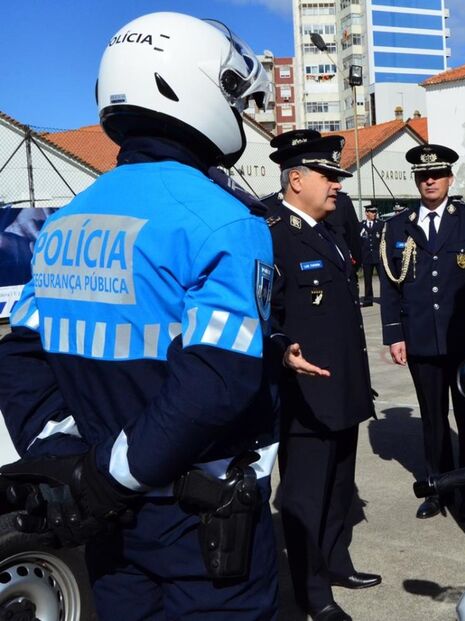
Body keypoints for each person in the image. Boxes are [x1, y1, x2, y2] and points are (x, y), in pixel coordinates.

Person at [0, 12, 280, 619]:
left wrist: (64, 458)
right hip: (199, 523)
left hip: (101, 516)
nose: (240, 111)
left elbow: (20, 356)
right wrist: (111, 477)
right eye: (233, 93)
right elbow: (215, 383)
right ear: (190, 87)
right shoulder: (227, 221)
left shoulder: (67, 221)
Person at [266, 131, 380, 620]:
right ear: (296, 179)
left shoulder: (331, 231)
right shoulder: (270, 234)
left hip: (343, 387)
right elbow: (260, 311)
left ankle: (335, 561)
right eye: (328, 175)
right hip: (306, 392)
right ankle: (313, 593)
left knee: (337, 488)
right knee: (305, 499)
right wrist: (278, 350)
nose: (337, 184)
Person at [379, 143, 465, 520]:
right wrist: (394, 334)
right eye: (423, 176)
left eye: (437, 174)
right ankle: (437, 487)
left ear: (449, 178)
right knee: (433, 419)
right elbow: (390, 286)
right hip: (421, 337)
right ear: (415, 180)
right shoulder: (398, 225)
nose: (430, 181)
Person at [358, 205, 383, 306]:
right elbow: (359, 242)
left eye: (375, 212)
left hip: (378, 256)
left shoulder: (381, 224)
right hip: (367, 256)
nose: (374, 214)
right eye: (372, 212)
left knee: (383, 279)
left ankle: (385, 298)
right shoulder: (361, 225)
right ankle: (368, 299)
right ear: (366, 213)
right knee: (367, 280)